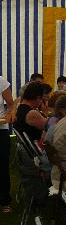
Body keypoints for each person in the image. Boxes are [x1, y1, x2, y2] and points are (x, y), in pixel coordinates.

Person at [0, 73, 14, 212]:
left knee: (2, 166)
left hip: (0, 129)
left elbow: (11, 104)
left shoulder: (1, 81)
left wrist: (8, 116)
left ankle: (4, 200)